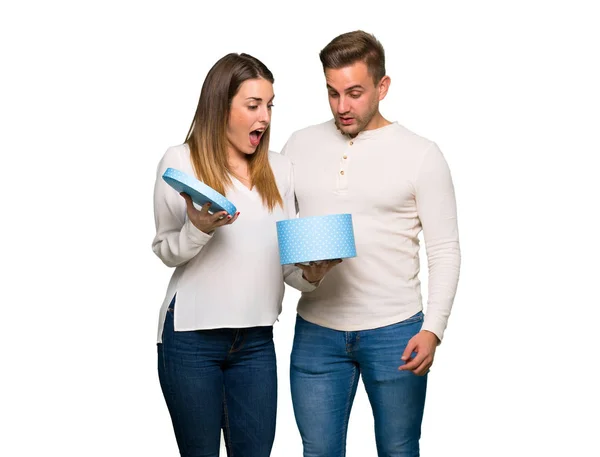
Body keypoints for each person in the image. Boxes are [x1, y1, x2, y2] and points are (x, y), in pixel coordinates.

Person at [281, 31, 461, 456]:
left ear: (383, 87)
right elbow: (281, 237)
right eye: (332, 93)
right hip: (317, 331)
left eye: (355, 93)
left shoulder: (422, 154)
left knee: (399, 450)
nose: (342, 106)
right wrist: (307, 275)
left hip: (396, 330)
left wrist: (433, 328)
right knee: (318, 451)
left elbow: (444, 249)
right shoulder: (297, 145)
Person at [152, 52, 337, 457]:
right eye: (253, 106)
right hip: (190, 339)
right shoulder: (181, 161)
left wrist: (314, 274)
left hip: (255, 341)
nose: (265, 118)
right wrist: (198, 230)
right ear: (221, 106)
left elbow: (288, 267)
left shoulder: (281, 169)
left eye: (269, 106)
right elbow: (165, 249)